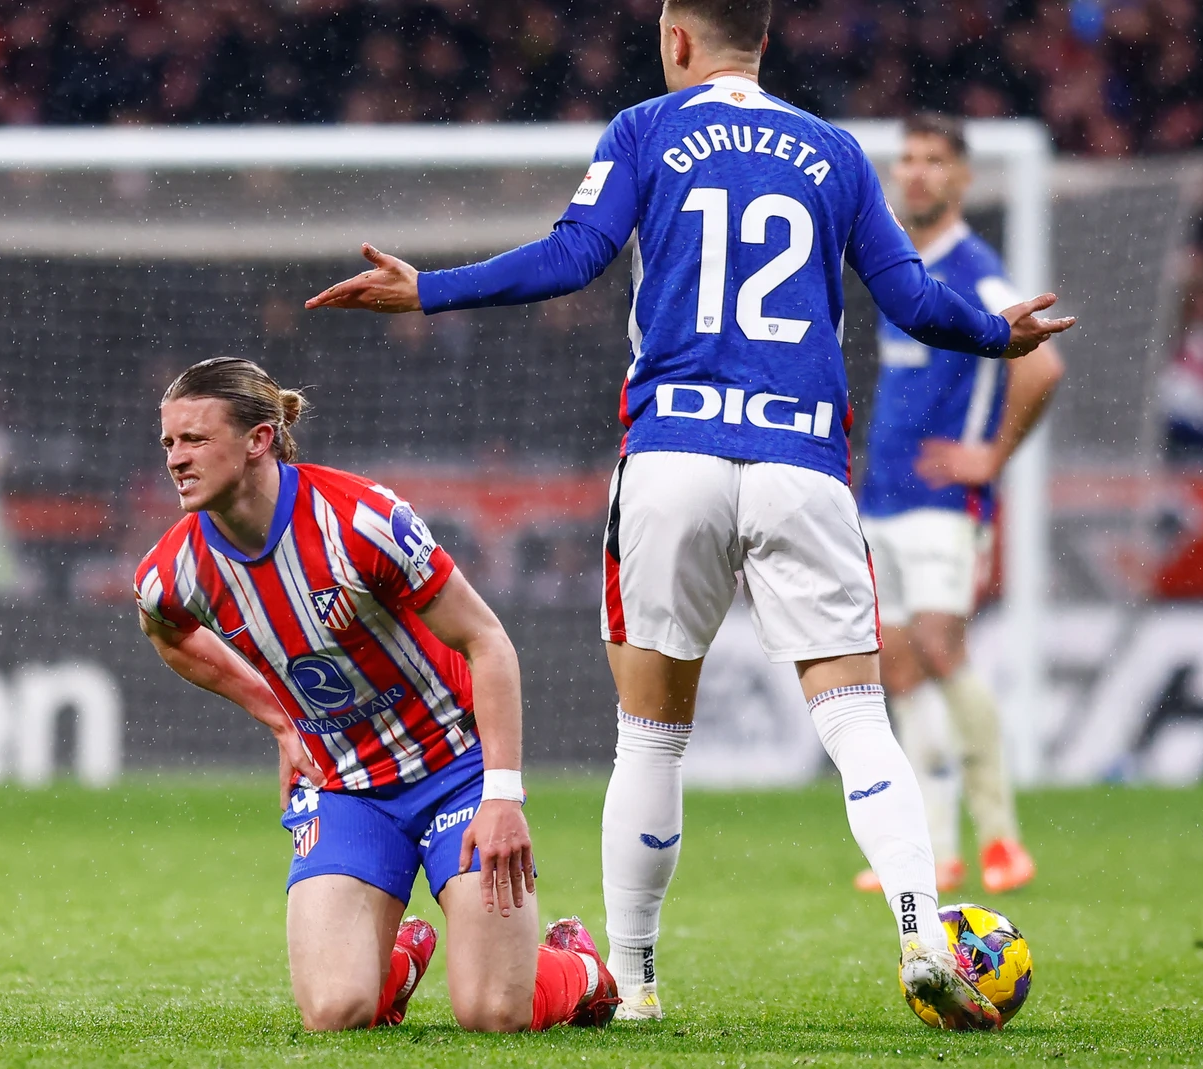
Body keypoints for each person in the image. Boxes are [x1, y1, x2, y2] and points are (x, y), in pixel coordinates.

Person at [305, 0, 1073, 1030]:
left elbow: (572, 256)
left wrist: (431, 289)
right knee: (855, 716)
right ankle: (921, 932)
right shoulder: (834, 151)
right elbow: (909, 298)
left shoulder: (644, 130)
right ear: (765, 41)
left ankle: (636, 978)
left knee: (652, 735)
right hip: (802, 458)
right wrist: (994, 333)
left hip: (674, 457)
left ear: (676, 38)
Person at [133, 357, 619, 1033]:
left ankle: (582, 968)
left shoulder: (361, 522)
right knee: (335, 1011)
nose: (176, 459)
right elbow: (169, 633)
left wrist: (503, 793)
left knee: (493, 1011)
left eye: (194, 439)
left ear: (259, 439)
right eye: (169, 443)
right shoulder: (173, 569)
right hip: (347, 786)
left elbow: (489, 642)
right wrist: (278, 719)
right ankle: (399, 960)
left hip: (454, 771)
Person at [852, 113, 1064, 899]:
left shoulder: (975, 269)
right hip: (885, 497)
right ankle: (935, 847)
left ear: (963, 177)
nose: (916, 173)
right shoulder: (900, 265)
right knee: (901, 663)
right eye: (907, 160)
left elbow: (1043, 366)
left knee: (942, 645)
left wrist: (992, 456)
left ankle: (1002, 838)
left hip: (945, 499)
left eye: (934, 161)